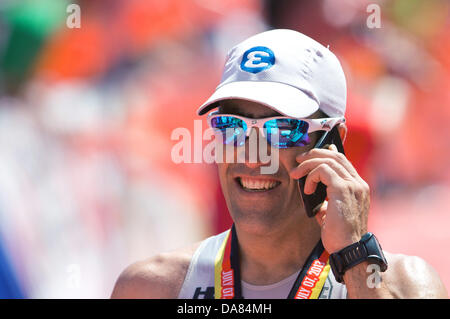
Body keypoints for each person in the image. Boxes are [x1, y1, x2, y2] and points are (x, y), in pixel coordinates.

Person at [111, 29, 448, 299]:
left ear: (334, 142)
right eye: (232, 126)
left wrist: (356, 259)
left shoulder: (408, 285)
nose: (253, 153)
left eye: (282, 129)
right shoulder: (150, 288)